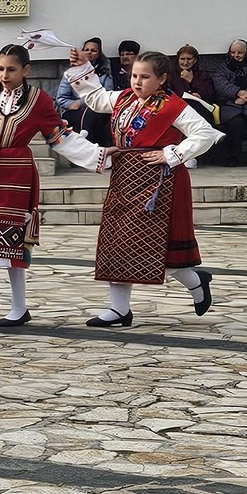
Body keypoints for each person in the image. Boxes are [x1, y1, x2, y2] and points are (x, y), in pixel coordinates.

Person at [0, 45, 101, 329]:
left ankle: (19, 306)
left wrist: (97, 156)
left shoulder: (39, 100)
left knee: (12, 239)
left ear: (26, 70)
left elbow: (58, 135)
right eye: (1, 69)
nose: (4, 75)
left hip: (16, 174)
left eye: (11, 69)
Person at [66, 49, 217, 326]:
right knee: (117, 241)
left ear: (162, 79)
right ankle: (119, 309)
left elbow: (205, 133)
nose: (137, 81)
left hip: (160, 184)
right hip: (124, 179)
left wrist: (172, 154)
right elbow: (97, 99)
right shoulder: (123, 98)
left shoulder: (173, 106)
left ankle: (196, 281)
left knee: (156, 245)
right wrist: (82, 67)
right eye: (134, 75)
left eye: (145, 77)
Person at [209, 40, 247, 166]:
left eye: (240, 52)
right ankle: (232, 158)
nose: (236, 55)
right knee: (235, 123)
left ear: (246, 53)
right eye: (233, 52)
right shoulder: (223, 68)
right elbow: (220, 84)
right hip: (231, 104)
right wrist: (237, 92)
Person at [56, 38, 116, 148]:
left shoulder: (104, 74)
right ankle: (90, 140)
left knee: (92, 112)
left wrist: (81, 102)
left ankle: (84, 135)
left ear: (99, 54)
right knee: (88, 118)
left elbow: (106, 97)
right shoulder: (71, 74)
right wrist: (72, 104)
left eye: (93, 50)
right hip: (75, 111)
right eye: (86, 50)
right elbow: (61, 98)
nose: (89, 52)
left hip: (98, 111)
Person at [173, 45, 220, 127]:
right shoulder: (172, 75)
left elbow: (209, 94)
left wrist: (192, 80)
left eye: (189, 59)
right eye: (182, 59)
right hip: (180, 107)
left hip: (201, 107)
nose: (185, 62)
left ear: (195, 60)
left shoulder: (203, 75)